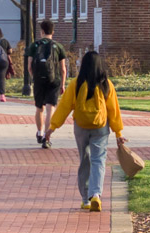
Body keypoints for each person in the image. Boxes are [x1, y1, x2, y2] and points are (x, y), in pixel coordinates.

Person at [47, 49, 127, 212]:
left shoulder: (76, 83)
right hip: (100, 127)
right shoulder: (106, 84)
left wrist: (52, 127)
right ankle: (96, 194)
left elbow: (64, 107)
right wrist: (118, 132)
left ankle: (85, 199)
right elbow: (113, 110)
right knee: (98, 160)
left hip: (81, 127)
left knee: (85, 160)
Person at [26, 19, 70, 148]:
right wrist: (62, 84)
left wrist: (35, 78)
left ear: (42, 31)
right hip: (54, 80)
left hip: (39, 80)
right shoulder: (58, 47)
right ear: (53, 32)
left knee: (39, 108)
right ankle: (47, 137)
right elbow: (63, 69)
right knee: (51, 109)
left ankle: (39, 133)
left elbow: (29, 66)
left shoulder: (34, 46)